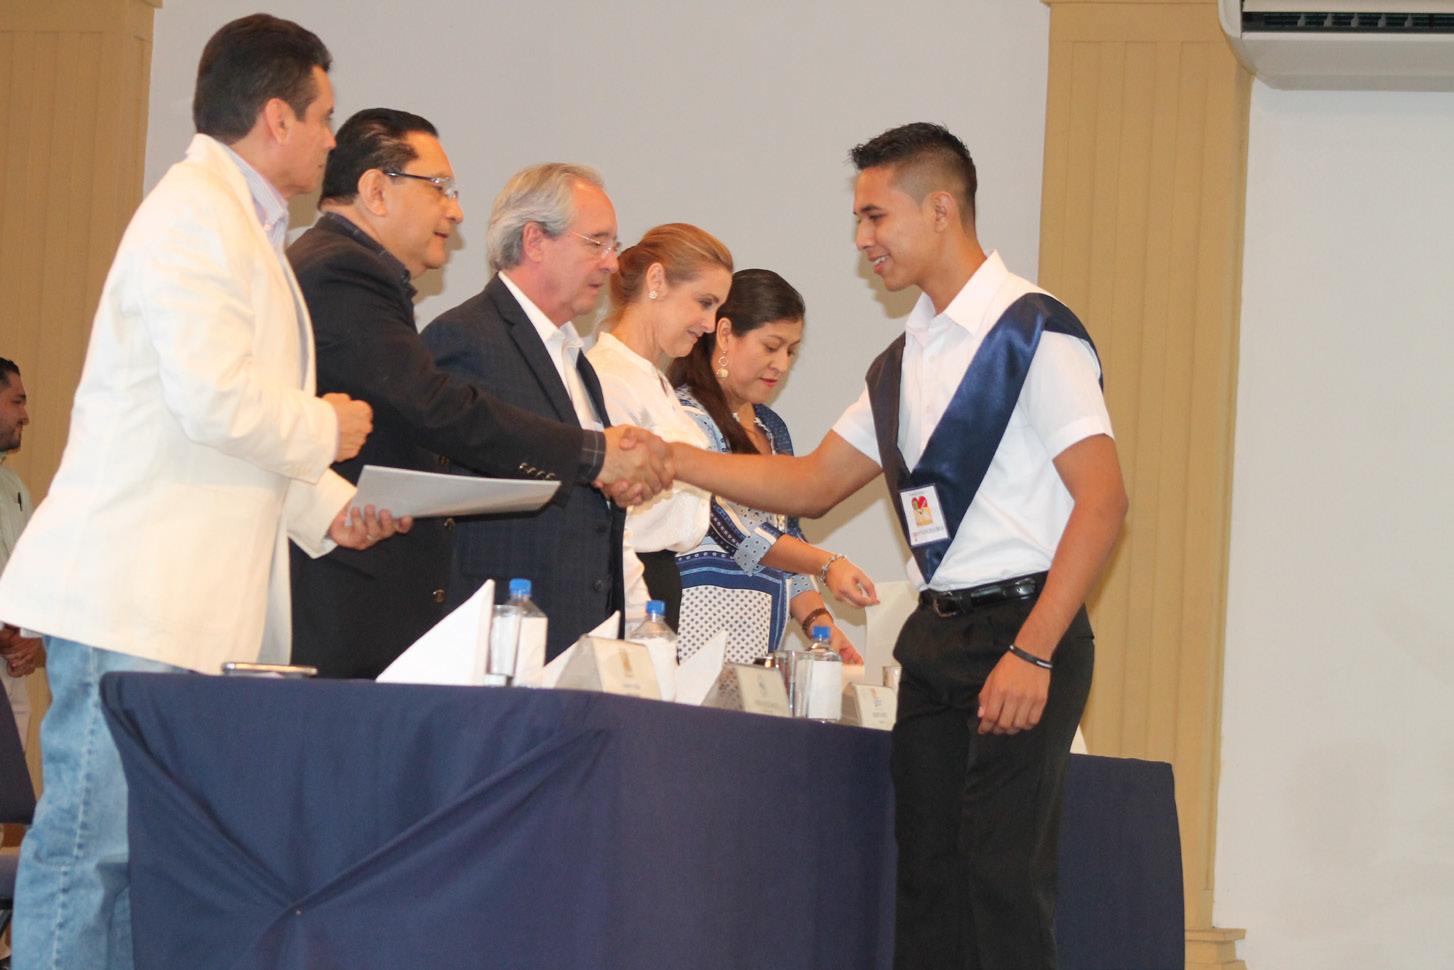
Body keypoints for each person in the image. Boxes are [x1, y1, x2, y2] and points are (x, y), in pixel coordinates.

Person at [0, 17, 407, 970]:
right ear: (276, 117)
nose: (331, 139)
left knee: (141, 863)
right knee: (90, 852)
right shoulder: (192, 214)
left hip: (177, 608)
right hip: (134, 598)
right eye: (324, 117)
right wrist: (325, 428)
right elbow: (213, 400)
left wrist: (329, 506)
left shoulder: (240, 224)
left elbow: (209, 431)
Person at [670, 123, 1127, 970]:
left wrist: (1034, 652)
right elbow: (812, 484)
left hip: (1023, 630)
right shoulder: (900, 361)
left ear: (941, 210)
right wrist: (674, 458)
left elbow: (1103, 503)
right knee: (927, 885)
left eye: (875, 216)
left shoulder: (1036, 333)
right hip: (935, 637)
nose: (861, 239)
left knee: (1001, 884)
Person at [289, 120, 671, 676]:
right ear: (376, 190)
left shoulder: (576, 357)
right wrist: (593, 456)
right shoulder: (357, 276)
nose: (456, 211)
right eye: (439, 188)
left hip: (547, 637)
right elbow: (437, 411)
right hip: (405, 619)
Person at [424, 163, 647, 659]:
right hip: (499, 639)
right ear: (535, 241)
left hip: (577, 634)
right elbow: (450, 489)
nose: (612, 263)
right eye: (597, 243)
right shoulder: (465, 337)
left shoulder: (574, 357)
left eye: (613, 245)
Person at [667, 270, 875, 664]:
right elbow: (736, 532)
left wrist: (819, 622)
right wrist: (828, 563)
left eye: (790, 352)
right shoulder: (683, 418)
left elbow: (787, 535)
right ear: (725, 334)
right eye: (771, 346)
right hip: (697, 630)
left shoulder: (771, 428)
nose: (781, 365)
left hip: (760, 637)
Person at [585, 224, 732, 628]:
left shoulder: (652, 379)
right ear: (656, 280)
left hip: (658, 576)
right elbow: (613, 520)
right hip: (627, 582)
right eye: (704, 302)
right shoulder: (610, 378)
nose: (709, 324)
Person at [0, 358, 40, 747]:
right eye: (17, 401)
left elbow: (32, 578)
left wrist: (31, 639)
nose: (25, 415)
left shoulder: (14, 488)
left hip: (11, 670)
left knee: (11, 782)